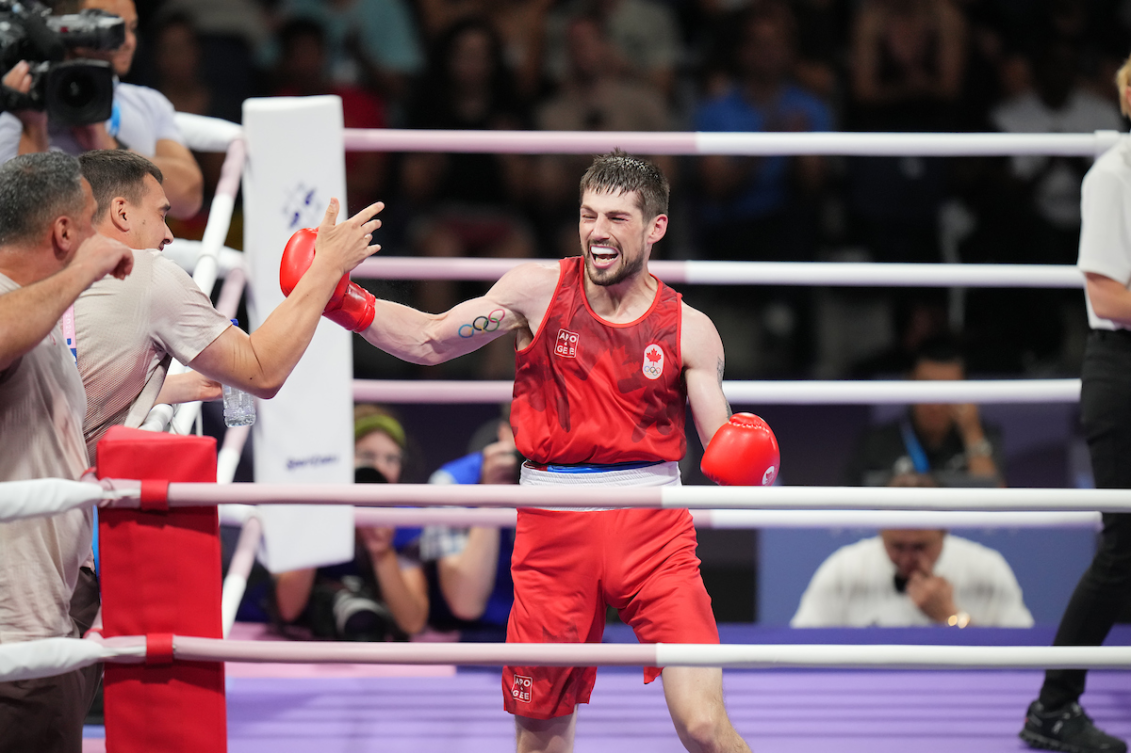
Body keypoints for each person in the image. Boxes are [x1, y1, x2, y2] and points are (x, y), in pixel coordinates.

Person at [280, 150, 777, 752]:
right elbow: (432, 340)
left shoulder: (689, 328)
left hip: (653, 528)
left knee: (702, 722)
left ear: (656, 228)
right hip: (552, 524)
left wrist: (748, 464)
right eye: (588, 214)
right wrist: (343, 301)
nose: (597, 232)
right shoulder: (537, 291)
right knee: (539, 732)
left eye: (618, 219)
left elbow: (721, 444)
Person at [73, 149, 382, 460]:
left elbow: (78, 396)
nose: (169, 236)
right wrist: (327, 267)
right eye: (161, 215)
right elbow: (262, 371)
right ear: (122, 213)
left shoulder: (48, 270)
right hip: (62, 497)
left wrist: (184, 387)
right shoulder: (147, 272)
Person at [0, 151, 135, 753]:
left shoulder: (41, 312)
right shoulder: (15, 304)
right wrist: (89, 268)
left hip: (42, 623)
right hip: (15, 641)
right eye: (91, 224)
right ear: (62, 233)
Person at [1018, 52, 1131, 753]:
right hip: (1122, 367)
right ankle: (1052, 705)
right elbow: (1107, 294)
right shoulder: (1113, 175)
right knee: (1123, 547)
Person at [0, 0, 205, 220]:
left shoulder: (148, 103)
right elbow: (24, 223)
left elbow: (189, 198)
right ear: (66, 28)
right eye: (113, 28)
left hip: (138, 252)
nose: (128, 41)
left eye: (132, 28)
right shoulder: (21, 109)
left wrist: (108, 147)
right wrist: (33, 127)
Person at [274, 406, 429, 639]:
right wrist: (320, 525)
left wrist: (381, 552)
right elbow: (287, 609)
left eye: (392, 458)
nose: (380, 468)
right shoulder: (308, 505)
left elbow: (413, 623)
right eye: (366, 456)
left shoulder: (404, 520)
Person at [791, 524, 1034, 628]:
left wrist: (951, 617)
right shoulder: (843, 568)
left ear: (943, 532)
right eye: (897, 546)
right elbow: (802, 649)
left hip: (963, 695)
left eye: (919, 547)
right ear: (881, 531)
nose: (908, 558)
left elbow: (1023, 659)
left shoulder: (986, 568)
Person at [843, 336, 1003, 488]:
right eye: (927, 387)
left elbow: (998, 508)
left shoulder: (983, 437)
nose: (936, 404)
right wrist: (887, 498)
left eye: (948, 389)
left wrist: (971, 432)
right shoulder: (876, 442)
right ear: (909, 382)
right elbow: (847, 509)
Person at [423, 414, 518, 641]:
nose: (541, 442)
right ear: (504, 434)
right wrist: (489, 500)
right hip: (473, 637)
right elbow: (466, 604)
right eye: (531, 429)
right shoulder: (450, 484)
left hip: (556, 637)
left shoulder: (575, 478)